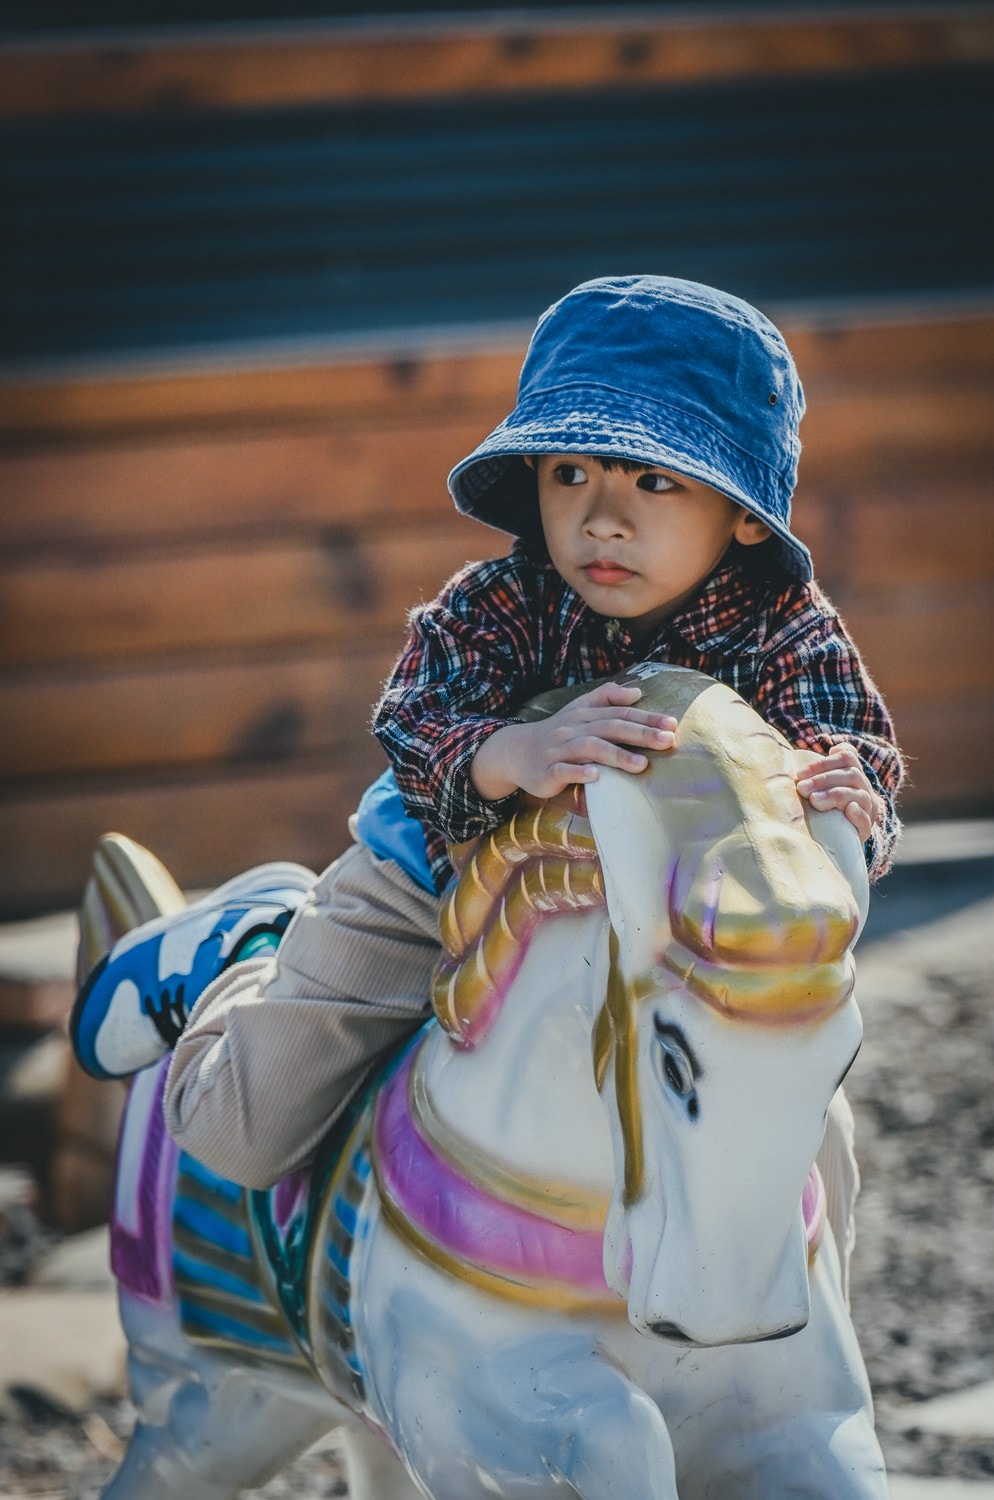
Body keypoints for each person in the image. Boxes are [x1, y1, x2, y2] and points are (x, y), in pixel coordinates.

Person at [70, 275, 902, 1214]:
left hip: (663, 918)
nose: (601, 517)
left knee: (804, 1151)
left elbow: (848, 742)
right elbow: (415, 713)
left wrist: (847, 799)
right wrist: (513, 751)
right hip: (432, 875)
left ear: (745, 512)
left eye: (655, 480)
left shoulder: (783, 627)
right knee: (241, 1137)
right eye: (570, 473)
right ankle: (245, 946)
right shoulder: (504, 598)